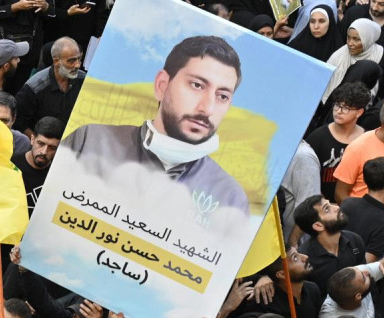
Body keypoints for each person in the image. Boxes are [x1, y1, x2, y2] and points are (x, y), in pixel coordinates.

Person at [63, 36, 250, 221]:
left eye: (222, 96)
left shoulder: (230, 198)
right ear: (162, 85)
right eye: (197, 85)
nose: (207, 108)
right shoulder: (90, 141)